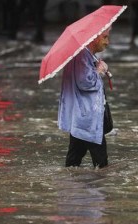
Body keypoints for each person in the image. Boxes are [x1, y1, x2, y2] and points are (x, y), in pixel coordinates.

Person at [58, 28, 112, 169]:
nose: (107, 42)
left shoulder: (85, 55)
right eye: (105, 37)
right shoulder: (82, 55)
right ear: (94, 37)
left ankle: (71, 187)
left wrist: (97, 66)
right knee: (102, 166)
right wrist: (99, 71)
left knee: (72, 164)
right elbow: (85, 82)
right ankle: (100, 189)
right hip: (89, 120)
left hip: (82, 120)